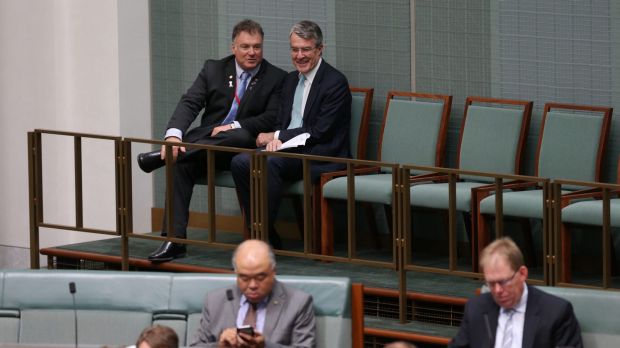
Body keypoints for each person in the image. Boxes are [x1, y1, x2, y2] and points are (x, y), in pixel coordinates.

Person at [139, 19, 286, 263]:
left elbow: (272, 116)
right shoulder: (214, 69)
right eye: (245, 46)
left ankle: (164, 156)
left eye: (257, 47)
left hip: (243, 148)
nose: (252, 52)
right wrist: (174, 135)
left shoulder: (276, 77)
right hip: (208, 148)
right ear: (233, 47)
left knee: (238, 135)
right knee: (180, 160)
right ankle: (174, 241)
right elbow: (190, 102)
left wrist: (234, 125)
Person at [231, 20, 352, 248]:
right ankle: (264, 231)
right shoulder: (289, 81)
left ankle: (258, 242)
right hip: (287, 152)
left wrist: (277, 136)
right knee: (240, 162)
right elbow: (280, 121)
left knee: (270, 163)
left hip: (322, 156)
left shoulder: (334, 82)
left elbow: (319, 132)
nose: (299, 55)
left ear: (320, 49)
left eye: (306, 49)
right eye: (295, 49)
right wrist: (277, 138)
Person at [450, 237, 583, 348]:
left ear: (522, 273)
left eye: (503, 282)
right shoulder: (476, 308)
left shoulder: (556, 312)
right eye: (491, 283)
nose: (497, 290)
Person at [190, 239, 315, 347]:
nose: (252, 285)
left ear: (273, 271)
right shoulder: (215, 301)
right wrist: (220, 346)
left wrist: (265, 346)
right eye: (244, 278)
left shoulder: (298, 303)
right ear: (236, 274)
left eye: (260, 278)